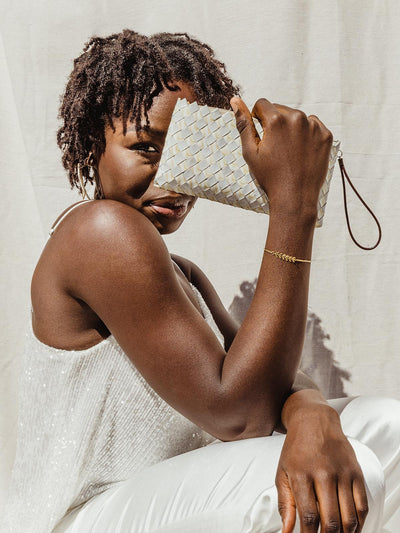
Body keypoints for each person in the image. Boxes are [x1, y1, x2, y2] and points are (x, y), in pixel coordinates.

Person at [2, 29, 399, 533]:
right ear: (92, 144)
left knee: (388, 426)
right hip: (88, 518)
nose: (170, 179)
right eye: (145, 147)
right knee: (350, 469)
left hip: (164, 500)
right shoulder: (99, 230)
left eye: (186, 152)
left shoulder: (181, 273)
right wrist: (292, 206)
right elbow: (241, 416)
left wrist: (311, 411)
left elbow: (270, 383)